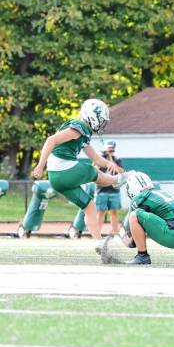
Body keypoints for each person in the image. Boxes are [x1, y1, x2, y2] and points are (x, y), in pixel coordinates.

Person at [33, 99, 127, 253]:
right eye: (101, 120)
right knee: (92, 172)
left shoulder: (83, 133)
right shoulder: (79, 127)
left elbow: (96, 159)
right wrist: (40, 165)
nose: (102, 123)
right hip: (63, 169)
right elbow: (51, 140)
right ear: (92, 116)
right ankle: (116, 181)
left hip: (58, 178)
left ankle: (99, 244)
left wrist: (112, 166)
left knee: (89, 207)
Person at [121, 172, 174, 265]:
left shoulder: (141, 197)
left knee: (134, 215)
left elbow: (128, 226)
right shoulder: (163, 193)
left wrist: (128, 241)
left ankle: (142, 256)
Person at [95, 140, 124, 236]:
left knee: (114, 213)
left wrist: (111, 159)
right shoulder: (100, 159)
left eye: (112, 150)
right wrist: (102, 159)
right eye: (108, 150)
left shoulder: (117, 160)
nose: (110, 152)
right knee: (100, 213)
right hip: (101, 190)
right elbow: (94, 169)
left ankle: (116, 234)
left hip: (114, 191)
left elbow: (121, 172)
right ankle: (97, 234)